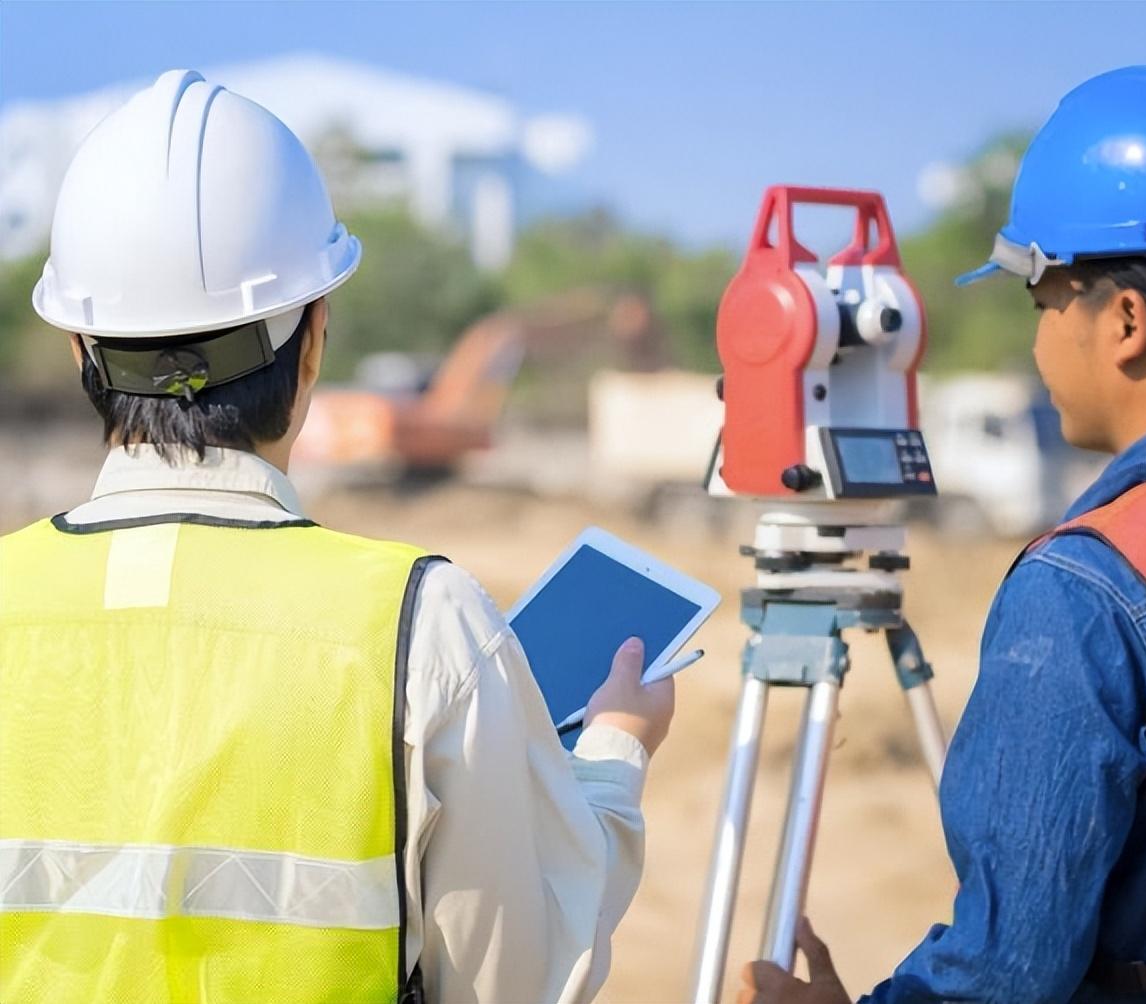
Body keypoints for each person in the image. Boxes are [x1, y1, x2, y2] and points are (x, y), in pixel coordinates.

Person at [0, 69, 674, 1004]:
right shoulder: (420, 623)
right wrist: (611, 758)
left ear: (81, 347)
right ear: (315, 337)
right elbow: (519, 976)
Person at [740, 65, 1146, 1004]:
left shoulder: (1090, 590)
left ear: (1125, 320)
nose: (1040, 342)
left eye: (1042, 302)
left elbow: (1005, 974)